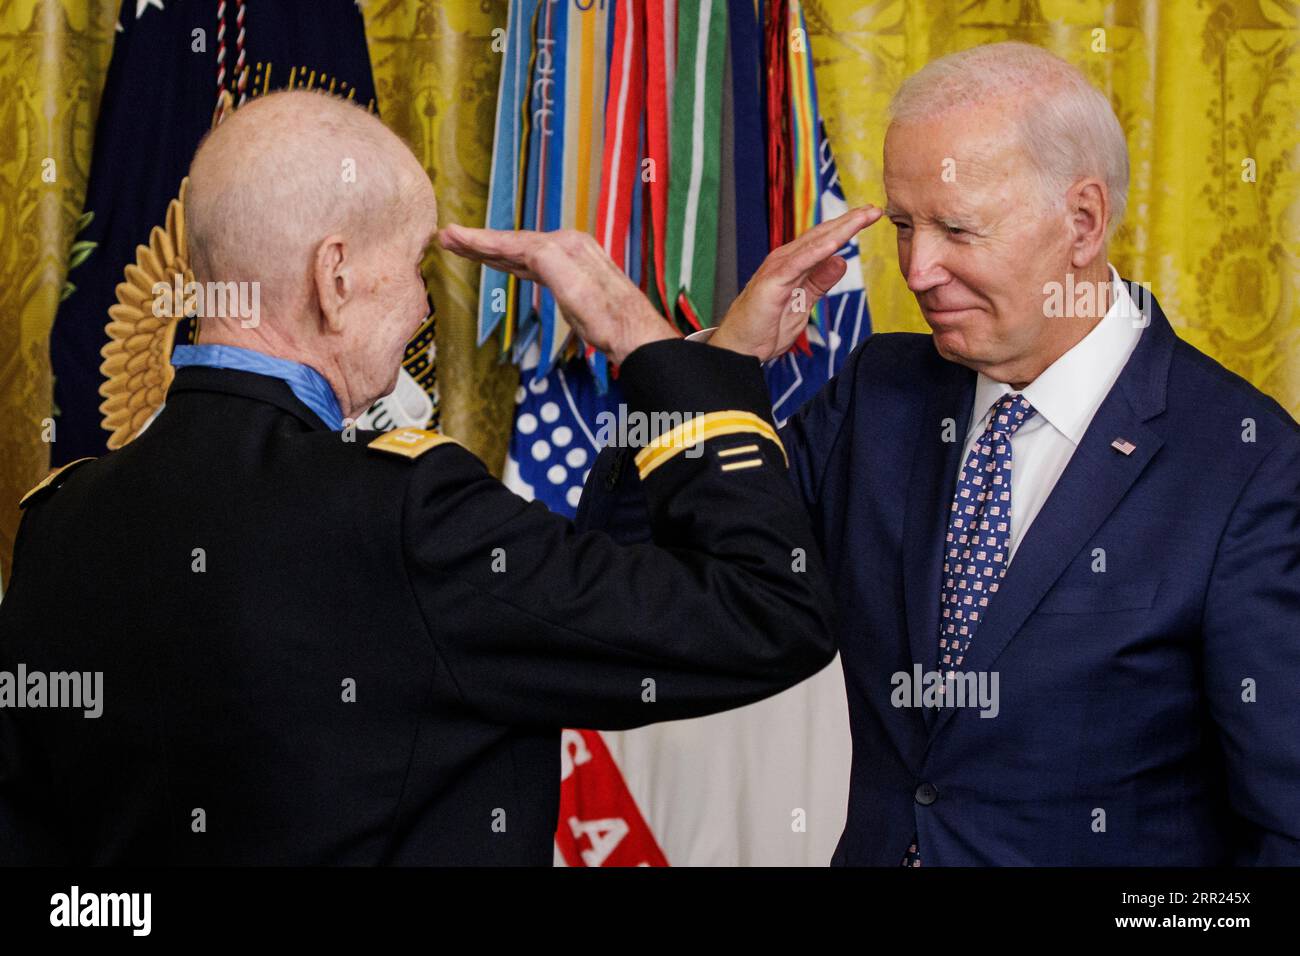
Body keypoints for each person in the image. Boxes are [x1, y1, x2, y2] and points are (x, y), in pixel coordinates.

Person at [0, 89, 864, 865]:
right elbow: (765, 610)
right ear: (333, 279)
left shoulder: (59, 519)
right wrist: (638, 336)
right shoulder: (406, 515)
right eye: (414, 265)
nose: (421, 307)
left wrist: (700, 365)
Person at [579, 41, 1300, 865]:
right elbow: (647, 577)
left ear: (1084, 221)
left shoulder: (1247, 467)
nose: (919, 271)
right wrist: (718, 369)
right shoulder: (878, 397)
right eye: (903, 227)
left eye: (958, 229)